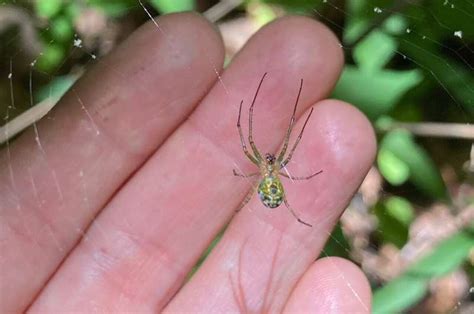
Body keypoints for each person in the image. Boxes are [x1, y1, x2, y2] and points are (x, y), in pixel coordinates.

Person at [0, 12, 375, 313]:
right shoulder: (263, 168)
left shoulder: (266, 170)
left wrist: (297, 122)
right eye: (271, 166)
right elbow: (248, 143)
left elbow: (273, 158)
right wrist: (250, 119)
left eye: (273, 165)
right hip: (267, 187)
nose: (272, 164)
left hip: (269, 189)